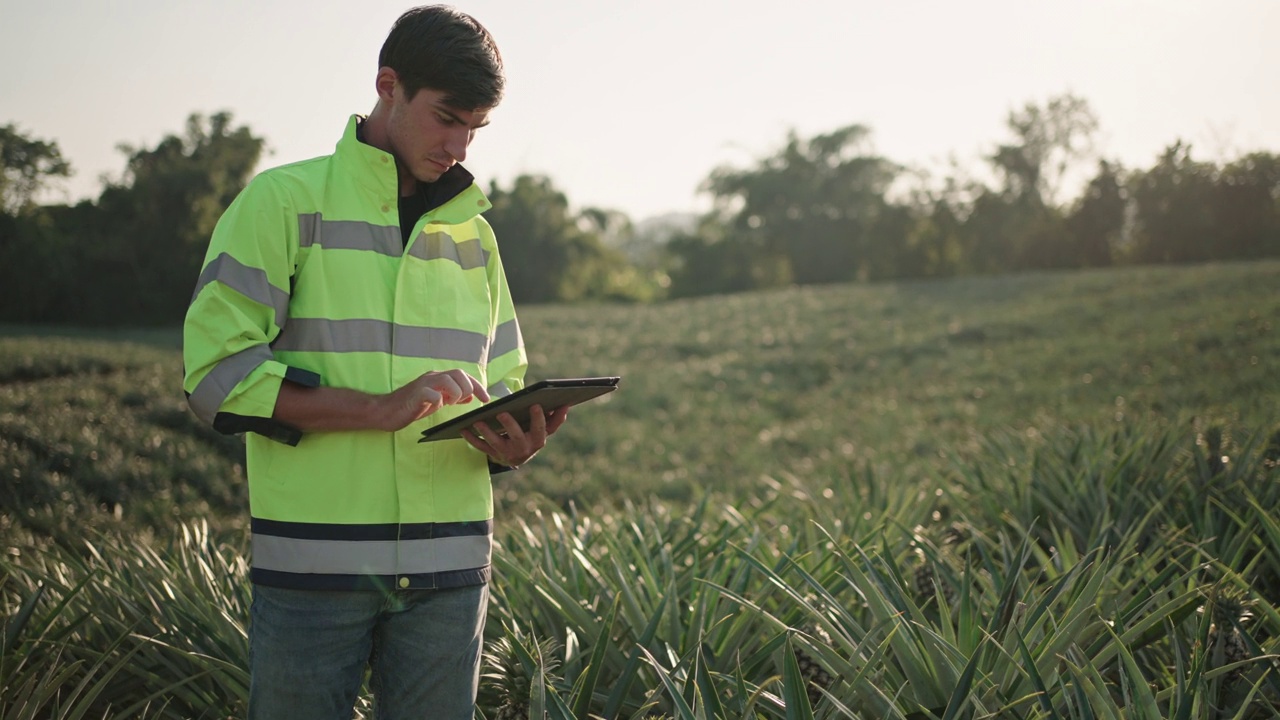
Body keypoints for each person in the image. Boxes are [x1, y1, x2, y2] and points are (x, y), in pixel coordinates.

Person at [181, 6, 569, 718]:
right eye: (446, 117)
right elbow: (215, 376)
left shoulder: (475, 237)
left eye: (474, 129)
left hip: (451, 571)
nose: (458, 144)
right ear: (388, 85)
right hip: (314, 572)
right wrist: (377, 410)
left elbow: (505, 380)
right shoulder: (283, 203)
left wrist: (513, 441)